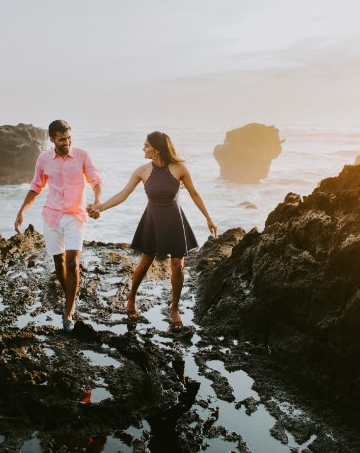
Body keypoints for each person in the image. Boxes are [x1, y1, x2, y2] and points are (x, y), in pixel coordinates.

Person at [87, 131, 217, 331]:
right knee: (145, 261)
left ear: (156, 148)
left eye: (146, 145)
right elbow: (123, 194)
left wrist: (208, 218)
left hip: (174, 220)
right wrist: (100, 207)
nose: (143, 148)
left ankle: (174, 308)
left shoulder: (179, 168)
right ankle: (131, 299)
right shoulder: (142, 171)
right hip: (152, 220)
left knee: (178, 266)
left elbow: (194, 193)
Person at [15, 119, 102, 333]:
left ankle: (68, 313)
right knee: (59, 264)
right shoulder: (44, 159)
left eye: (69, 138)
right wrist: (22, 211)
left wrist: (97, 200)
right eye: (62, 139)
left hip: (75, 215)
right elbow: (36, 185)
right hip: (52, 216)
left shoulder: (81, 155)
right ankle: (70, 297)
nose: (67, 143)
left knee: (73, 262)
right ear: (52, 139)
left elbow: (95, 180)